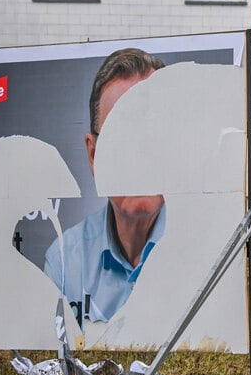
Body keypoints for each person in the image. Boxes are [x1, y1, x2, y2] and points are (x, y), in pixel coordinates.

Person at [44, 48, 166, 324]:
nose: (139, 155)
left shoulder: (215, 256)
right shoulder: (64, 263)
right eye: (119, 137)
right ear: (93, 155)